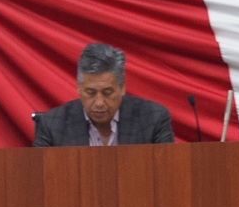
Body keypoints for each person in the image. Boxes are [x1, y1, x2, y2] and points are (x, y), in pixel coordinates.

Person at [33, 42, 175, 147]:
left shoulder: (154, 119)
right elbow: (40, 181)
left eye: (107, 93)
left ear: (123, 88)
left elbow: (168, 175)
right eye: (91, 92)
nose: (99, 102)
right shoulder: (51, 126)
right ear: (79, 88)